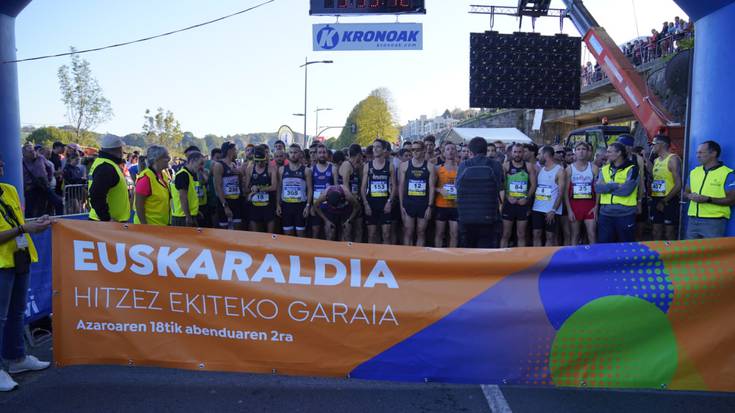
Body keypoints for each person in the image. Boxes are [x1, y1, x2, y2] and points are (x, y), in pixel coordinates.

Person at [0, 155, 51, 392]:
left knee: (17, 313)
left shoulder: (9, 190)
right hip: (2, 264)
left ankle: (17, 359)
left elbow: (18, 222)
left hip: (20, 259)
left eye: (1, 161)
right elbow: (17, 227)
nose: (1, 165)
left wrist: (34, 222)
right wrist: (23, 228)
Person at [456, 137, 505, 248]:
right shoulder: (496, 165)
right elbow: (499, 186)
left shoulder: (464, 165)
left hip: (466, 217)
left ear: (470, 151)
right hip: (489, 216)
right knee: (487, 253)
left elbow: (457, 186)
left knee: (467, 253)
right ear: (485, 149)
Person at [684, 141, 735, 239]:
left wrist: (707, 199)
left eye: (701, 153)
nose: (697, 156)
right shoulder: (694, 172)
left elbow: (732, 200)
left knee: (711, 253)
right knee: (691, 252)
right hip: (693, 220)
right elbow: (686, 192)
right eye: (697, 153)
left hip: (714, 221)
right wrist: (689, 196)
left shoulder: (728, 173)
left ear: (713, 153)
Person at [596, 143, 640, 243]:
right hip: (605, 215)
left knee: (626, 247)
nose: (606, 154)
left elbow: (626, 191)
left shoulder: (633, 169)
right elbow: (598, 188)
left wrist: (607, 186)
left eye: (609, 152)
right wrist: (616, 185)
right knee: (605, 247)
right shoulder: (604, 169)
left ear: (619, 153)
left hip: (625, 214)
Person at [399, 140, 435, 246]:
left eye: (417, 150)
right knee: (408, 232)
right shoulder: (404, 166)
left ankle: (418, 258)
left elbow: (432, 188)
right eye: (412, 150)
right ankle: (407, 258)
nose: (414, 152)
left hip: (423, 204)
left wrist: (430, 206)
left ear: (423, 150)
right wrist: (401, 206)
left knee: (421, 232)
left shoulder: (430, 167)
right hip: (409, 203)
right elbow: (401, 187)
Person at [501, 144, 537, 248]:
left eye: (520, 152)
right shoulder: (506, 166)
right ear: (511, 153)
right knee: (506, 234)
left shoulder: (529, 166)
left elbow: (534, 185)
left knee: (521, 235)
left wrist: (526, 198)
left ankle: (521, 261)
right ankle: (502, 260)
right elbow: (502, 185)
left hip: (523, 204)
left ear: (523, 153)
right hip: (509, 204)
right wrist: (507, 197)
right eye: (515, 152)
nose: (517, 154)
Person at [88, 135, 131, 223]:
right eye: (121, 149)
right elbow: (96, 195)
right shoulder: (107, 167)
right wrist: (106, 218)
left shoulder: (103, 163)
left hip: (104, 221)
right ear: (117, 149)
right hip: (108, 224)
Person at [362, 139, 396, 245]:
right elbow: (363, 187)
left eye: (378, 147)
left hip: (385, 202)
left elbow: (394, 186)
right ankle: (372, 258)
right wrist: (366, 204)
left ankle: (386, 259)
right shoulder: (368, 166)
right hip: (371, 202)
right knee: (372, 234)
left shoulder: (389, 165)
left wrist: (389, 202)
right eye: (373, 147)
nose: (375, 149)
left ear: (384, 149)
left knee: (386, 234)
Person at [564, 142, 599, 245]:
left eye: (584, 149)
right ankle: (573, 260)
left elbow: (598, 190)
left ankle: (594, 259)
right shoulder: (569, 169)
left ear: (588, 152)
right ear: (575, 152)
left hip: (590, 207)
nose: (581, 151)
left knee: (592, 234)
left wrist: (596, 206)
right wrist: (569, 210)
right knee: (575, 234)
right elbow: (565, 192)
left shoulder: (594, 168)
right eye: (578, 149)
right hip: (575, 207)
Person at [649, 135, 682, 240]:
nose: (651, 147)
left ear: (662, 144)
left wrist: (664, 201)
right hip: (656, 199)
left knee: (669, 233)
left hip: (669, 200)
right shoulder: (656, 160)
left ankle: (670, 255)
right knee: (655, 231)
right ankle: (656, 255)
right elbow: (657, 178)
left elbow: (678, 185)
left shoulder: (673, 159)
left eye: (653, 144)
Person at [532, 146, 566, 247]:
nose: (537, 157)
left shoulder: (559, 171)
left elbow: (561, 193)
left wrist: (553, 210)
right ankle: (536, 260)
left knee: (550, 237)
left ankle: (547, 261)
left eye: (539, 154)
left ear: (545, 154)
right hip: (537, 208)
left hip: (551, 210)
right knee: (536, 235)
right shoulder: (540, 170)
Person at [277, 144, 312, 237]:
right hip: (286, 206)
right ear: (288, 154)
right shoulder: (281, 170)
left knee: (301, 236)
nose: (293, 155)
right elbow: (279, 188)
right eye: (291, 152)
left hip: (300, 206)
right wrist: (278, 205)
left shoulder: (306, 170)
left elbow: (310, 189)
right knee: (288, 236)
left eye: (295, 152)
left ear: (300, 153)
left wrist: (308, 206)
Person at [133, 145, 171, 226]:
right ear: (157, 159)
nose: (169, 159)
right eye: (166, 156)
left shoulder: (163, 175)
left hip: (161, 226)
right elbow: (138, 206)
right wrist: (145, 226)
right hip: (150, 229)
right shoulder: (145, 179)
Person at [245, 147, 278, 233]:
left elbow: (274, 186)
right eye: (257, 161)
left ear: (266, 158)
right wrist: (250, 190)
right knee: (257, 236)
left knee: (270, 235)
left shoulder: (271, 169)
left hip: (268, 206)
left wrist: (259, 188)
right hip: (255, 207)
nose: (259, 163)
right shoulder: (250, 169)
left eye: (262, 161)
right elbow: (246, 188)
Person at [212, 142, 244, 230]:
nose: (236, 152)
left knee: (238, 228)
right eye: (235, 150)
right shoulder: (219, 165)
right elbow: (218, 187)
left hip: (236, 200)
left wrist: (239, 173)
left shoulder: (233, 165)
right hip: (225, 202)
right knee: (224, 230)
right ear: (230, 151)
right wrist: (225, 206)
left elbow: (240, 182)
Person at [434, 142, 460, 248]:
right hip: (441, 206)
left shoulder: (460, 168)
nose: (450, 151)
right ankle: (438, 258)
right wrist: (439, 190)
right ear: (444, 153)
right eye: (448, 149)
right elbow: (431, 187)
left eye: (453, 149)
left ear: (456, 152)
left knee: (454, 234)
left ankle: (452, 259)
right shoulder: (437, 168)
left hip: (455, 206)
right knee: (440, 233)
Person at [309, 144, 337, 239]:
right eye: (320, 152)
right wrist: (310, 206)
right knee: (315, 232)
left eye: (324, 152)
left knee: (330, 233)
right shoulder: (311, 170)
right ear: (316, 154)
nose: (322, 155)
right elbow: (310, 189)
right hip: (316, 205)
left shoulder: (333, 168)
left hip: (329, 206)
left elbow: (337, 189)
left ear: (327, 154)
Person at [171, 151, 205, 227]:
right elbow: (183, 197)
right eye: (201, 164)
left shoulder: (189, 174)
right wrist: (188, 217)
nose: (202, 167)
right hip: (182, 217)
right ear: (192, 161)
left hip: (186, 215)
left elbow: (190, 196)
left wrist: (196, 211)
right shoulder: (183, 174)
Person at [338, 144, 364, 242]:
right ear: (358, 155)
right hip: (347, 203)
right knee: (347, 231)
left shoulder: (357, 166)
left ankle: (357, 253)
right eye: (361, 156)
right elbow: (345, 188)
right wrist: (355, 202)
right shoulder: (346, 165)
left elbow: (360, 184)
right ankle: (345, 254)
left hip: (356, 201)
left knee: (359, 229)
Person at [21, 144, 53, 218]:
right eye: (30, 151)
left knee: (47, 205)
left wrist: (49, 179)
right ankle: (30, 224)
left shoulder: (40, 158)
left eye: (33, 150)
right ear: (24, 153)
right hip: (30, 189)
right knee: (30, 209)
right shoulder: (21, 162)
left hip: (43, 186)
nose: (33, 152)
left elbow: (49, 168)